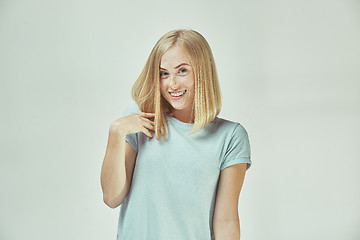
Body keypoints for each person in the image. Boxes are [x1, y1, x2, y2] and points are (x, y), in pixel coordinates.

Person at [100, 29, 252, 240]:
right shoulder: (140, 120)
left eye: (182, 71)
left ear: (203, 71)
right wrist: (116, 133)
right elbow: (111, 197)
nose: (172, 84)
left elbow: (225, 220)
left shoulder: (230, 136)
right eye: (164, 73)